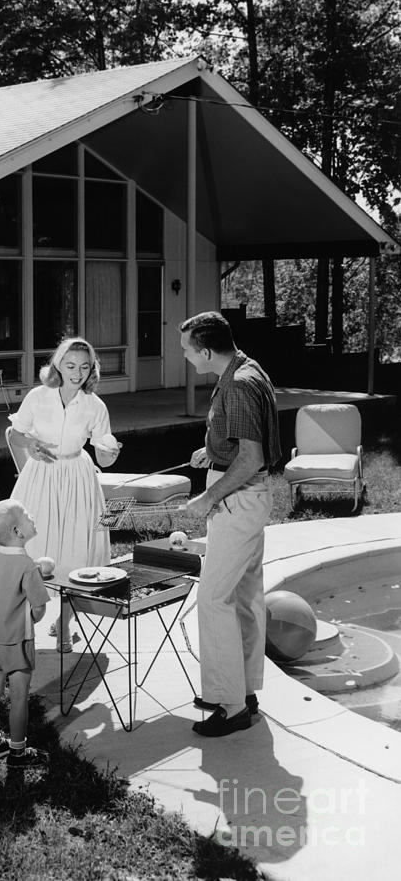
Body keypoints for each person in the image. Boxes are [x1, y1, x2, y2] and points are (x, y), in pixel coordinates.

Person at [179, 312, 281, 737]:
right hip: (248, 496)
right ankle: (245, 690)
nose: (185, 356)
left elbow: (252, 457)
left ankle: (231, 704)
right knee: (244, 596)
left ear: (205, 351)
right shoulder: (245, 368)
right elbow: (242, 439)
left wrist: (208, 496)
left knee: (213, 599)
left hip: (237, 498)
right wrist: (212, 448)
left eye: (186, 350)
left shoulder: (237, 385)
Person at [7, 337, 121, 651]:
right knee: (32, 546)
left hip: (78, 477)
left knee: (76, 548)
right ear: (58, 364)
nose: (77, 372)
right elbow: (16, 434)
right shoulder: (38, 396)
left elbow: (104, 457)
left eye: (84, 366)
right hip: (41, 475)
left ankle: (65, 624)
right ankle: (24, 623)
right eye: (70, 365)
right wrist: (30, 445)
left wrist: (111, 451)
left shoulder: (94, 405)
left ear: (92, 369)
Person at [0, 499, 51, 768]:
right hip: (17, 641)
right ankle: (18, 752)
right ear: (19, 532)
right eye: (28, 516)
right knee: (19, 695)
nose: (32, 518)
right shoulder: (27, 566)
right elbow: (40, 609)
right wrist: (30, 617)